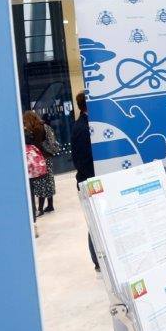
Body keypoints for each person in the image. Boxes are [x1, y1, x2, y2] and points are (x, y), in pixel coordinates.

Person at [71, 91, 99, 270]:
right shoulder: (82, 128)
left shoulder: (88, 125)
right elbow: (82, 161)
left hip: (92, 180)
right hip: (88, 181)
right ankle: (97, 260)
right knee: (95, 222)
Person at [23, 111, 56, 217]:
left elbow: (36, 145)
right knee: (48, 181)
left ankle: (40, 209)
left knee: (42, 183)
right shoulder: (43, 125)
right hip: (47, 156)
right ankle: (50, 205)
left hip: (41, 158)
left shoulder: (37, 129)